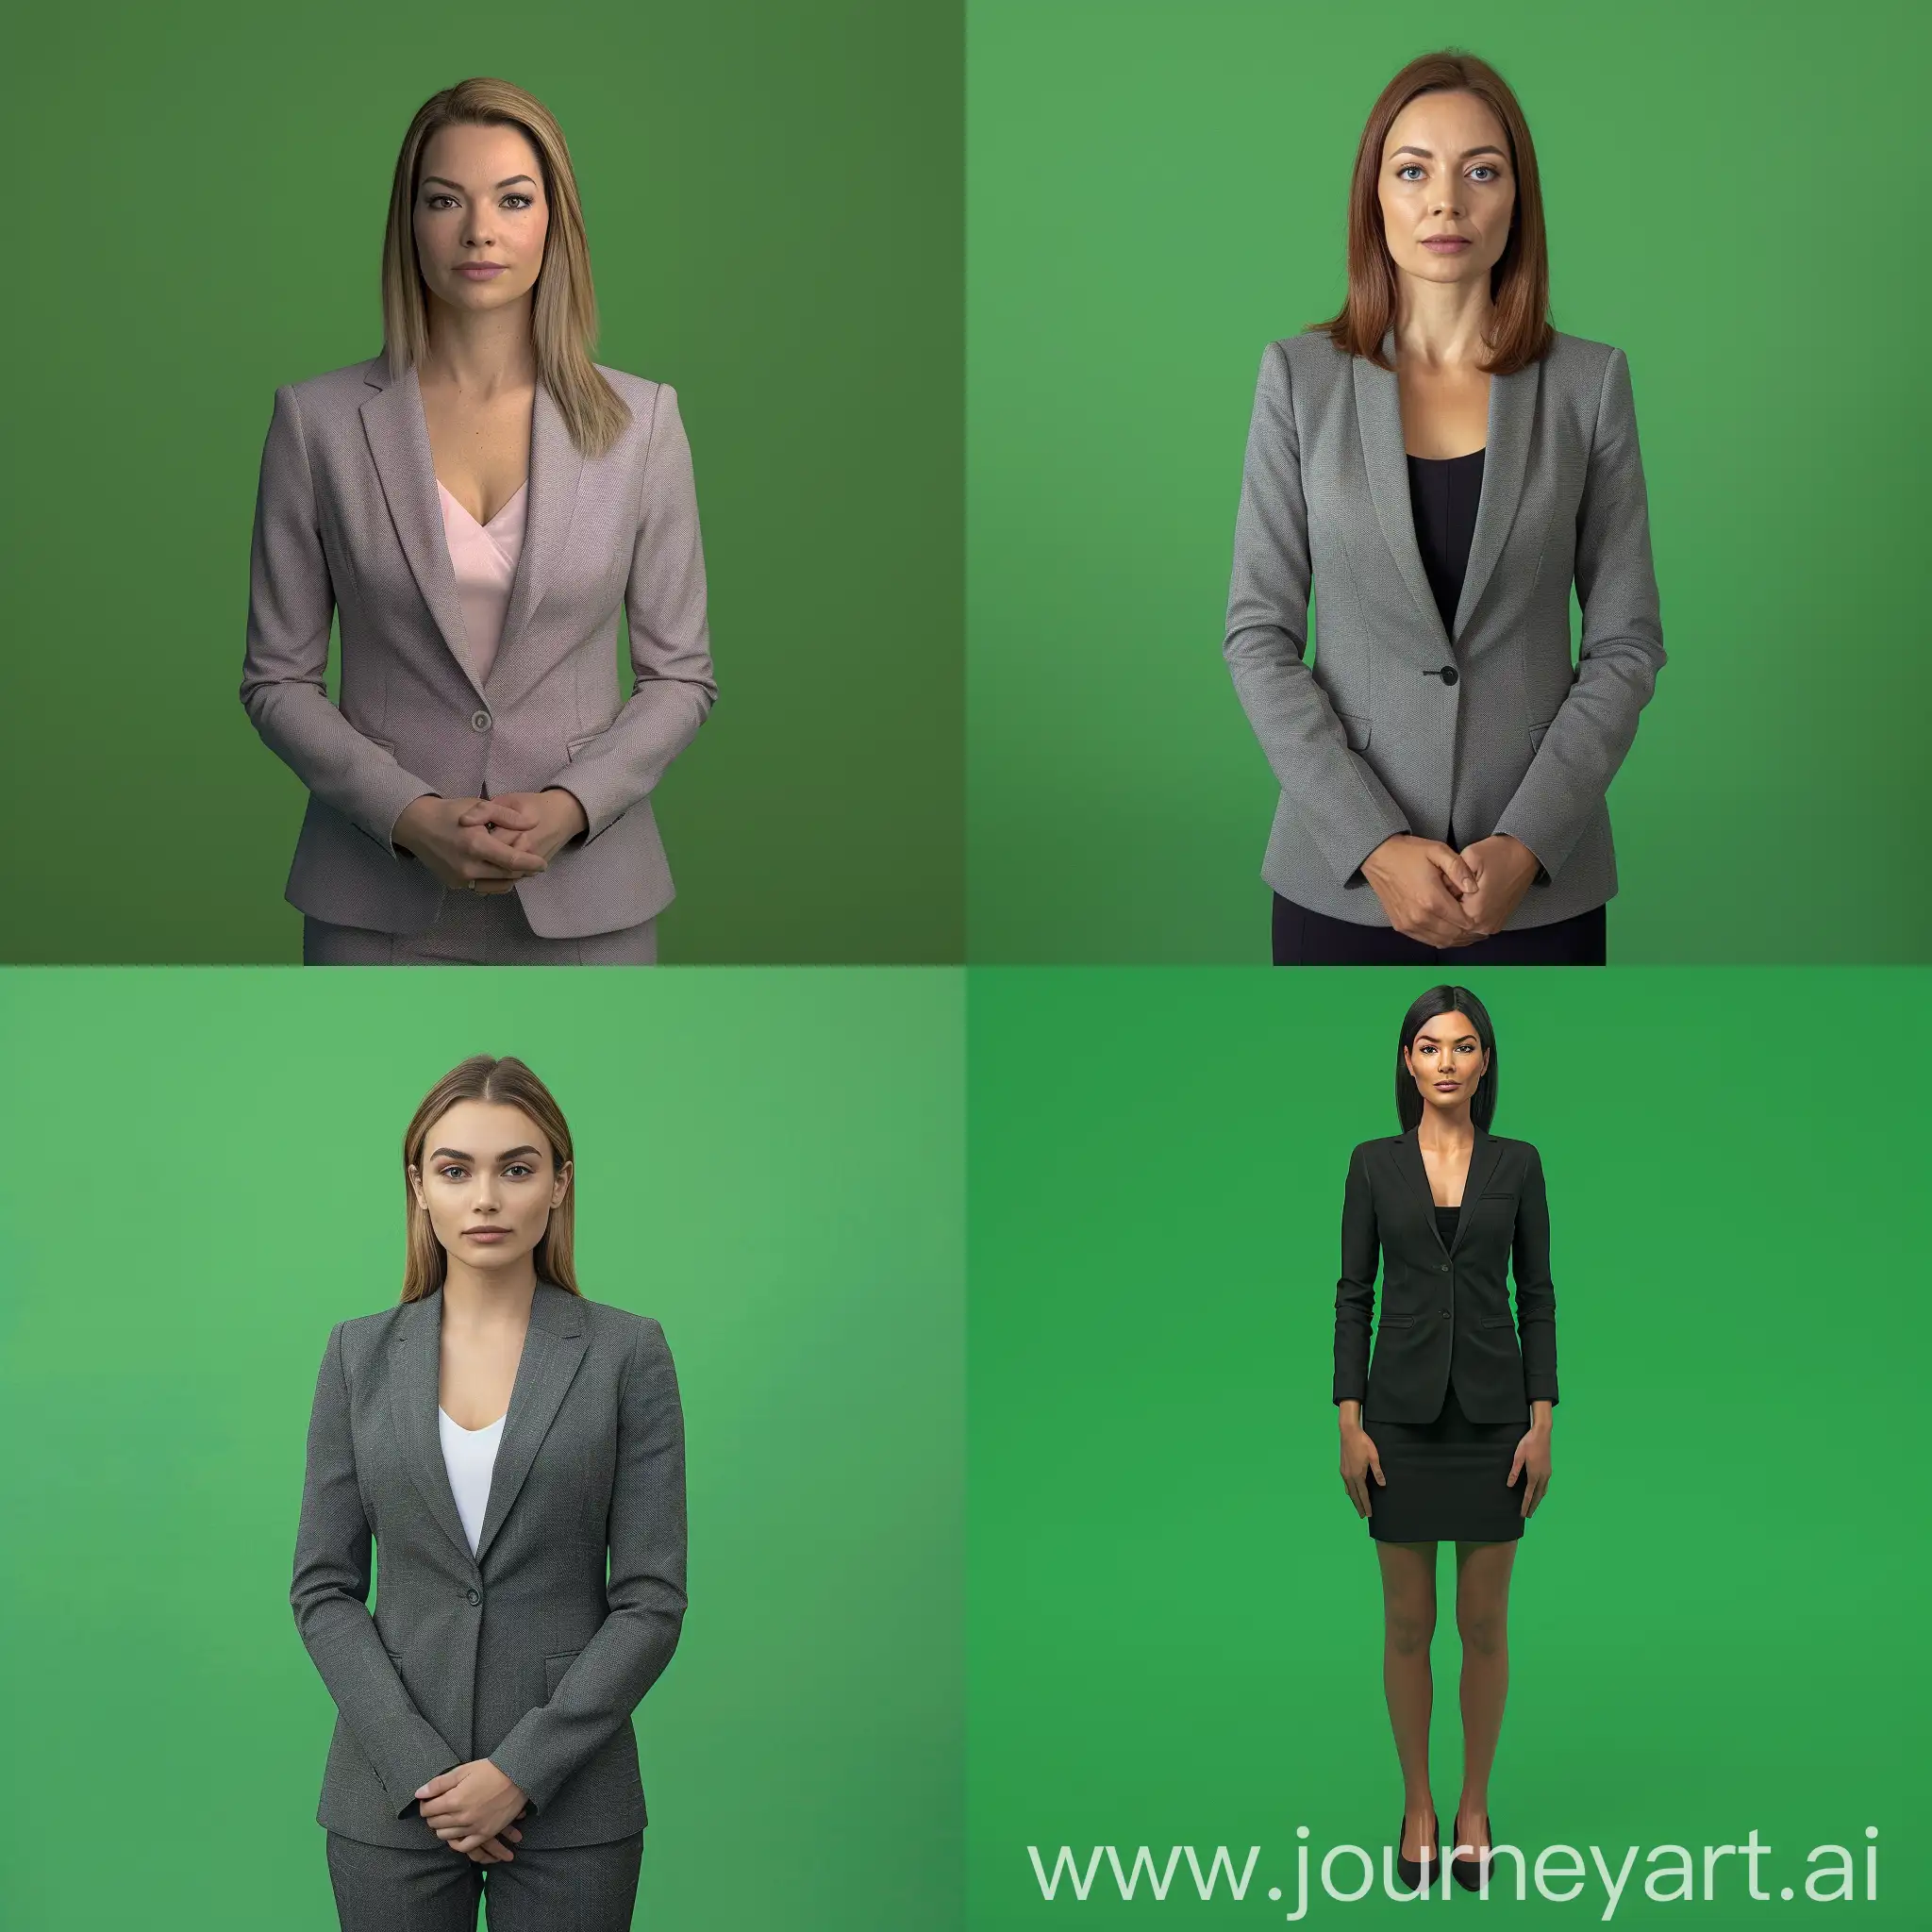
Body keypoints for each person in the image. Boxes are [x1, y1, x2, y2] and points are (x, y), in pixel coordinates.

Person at [242, 77, 717, 964]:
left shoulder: (643, 422)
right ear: (409, 222)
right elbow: (276, 680)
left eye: (512, 198)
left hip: (589, 901)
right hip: (374, 903)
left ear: (555, 221)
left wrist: (573, 806)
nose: (478, 231)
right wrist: (408, 814)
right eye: (444, 200)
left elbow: (681, 677)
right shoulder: (316, 425)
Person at [1224, 49, 1665, 965]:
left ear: (1516, 200)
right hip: (1339, 883)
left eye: (1480, 170)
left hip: (1537, 889)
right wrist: (1371, 842)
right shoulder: (1297, 381)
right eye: (1412, 169)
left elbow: (1624, 643)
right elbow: (1257, 637)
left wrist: (1526, 843)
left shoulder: (1588, 384)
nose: (1444, 201)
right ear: (1373, 197)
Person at [291, 1055, 687, 1929]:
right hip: (389, 1800)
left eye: (516, 1168)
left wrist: (521, 1772)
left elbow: (651, 1601)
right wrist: (419, 1770)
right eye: (455, 1170)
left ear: (558, 1184)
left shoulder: (628, 1355)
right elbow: (322, 1588)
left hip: (574, 1802)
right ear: (419, 1188)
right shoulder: (357, 1356)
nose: (486, 1199)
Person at [1333, 986, 1555, 1892]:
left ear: (1486, 1062)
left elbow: (1537, 1295)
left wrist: (1542, 1421)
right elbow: (1354, 1295)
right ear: (1407, 1062)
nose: (1447, 1062)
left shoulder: (1521, 1162)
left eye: (1464, 1047)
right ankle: (1418, 1804)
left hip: (1498, 1418)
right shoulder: (1372, 1165)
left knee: (1484, 1624)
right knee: (1407, 1623)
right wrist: (1349, 1421)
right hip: (1399, 1419)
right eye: (1430, 1047)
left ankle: (1473, 1803)